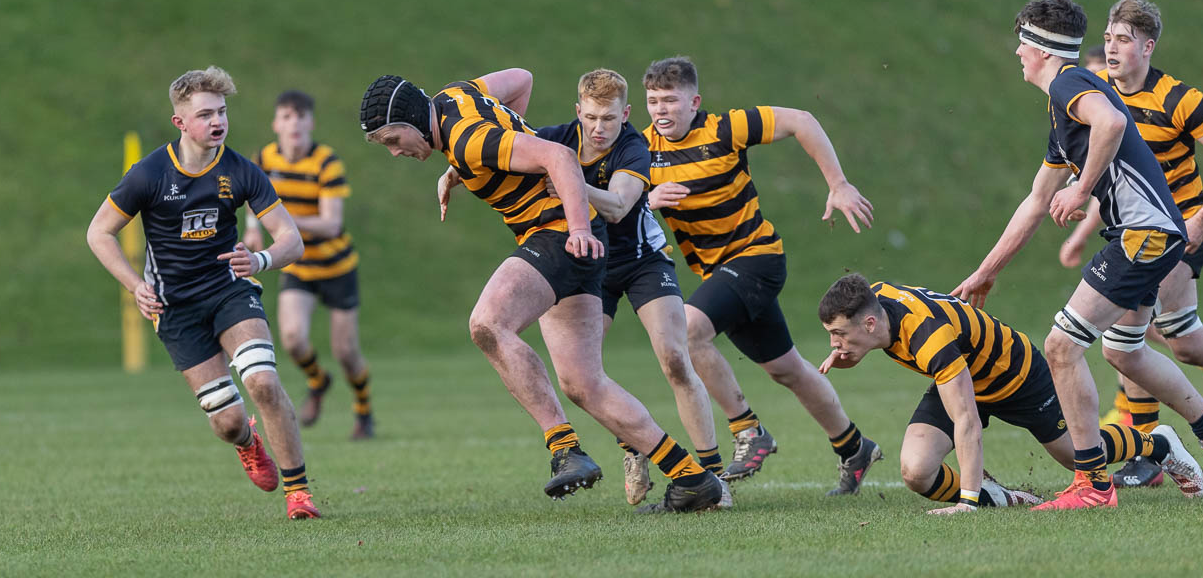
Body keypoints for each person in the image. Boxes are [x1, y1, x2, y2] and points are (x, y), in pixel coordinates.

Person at [360, 69, 724, 513]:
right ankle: (692, 479)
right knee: (583, 384)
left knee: (488, 324)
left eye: (394, 140)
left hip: (560, 235)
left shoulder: (470, 139)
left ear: (414, 120)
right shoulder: (456, 96)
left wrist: (573, 227)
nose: (396, 152)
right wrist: (500, 147)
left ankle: (564, 448)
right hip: (577, 237)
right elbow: (522, 79)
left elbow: (558, 157)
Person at [953, 0, 1203, 508]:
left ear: (1043, 49)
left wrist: (1082, 185)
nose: (1017, 53)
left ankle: (1092, 485)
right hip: (1146, 234)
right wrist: (985, 273)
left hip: (1145, 236)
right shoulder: (1065, 105)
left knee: (1062, 346)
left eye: (1022, 42)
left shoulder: (1071, 83)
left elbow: (1112, 127)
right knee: (1122, 350)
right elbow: (1035, 202)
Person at [86, 66, 319, 519]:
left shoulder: (241, 171)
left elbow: (291, 239)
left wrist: (260, 261)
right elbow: (99, 233)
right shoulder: (149, 174)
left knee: (264, 383)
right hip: (175, 308)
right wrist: (136, 287)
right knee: (228, 421)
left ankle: (299, 494)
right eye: (207, 114)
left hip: (230, 291)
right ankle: (249, 443)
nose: (218, 122)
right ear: (181, 123)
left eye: (223, 112)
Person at [642, 56, 880, 495]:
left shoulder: (725, 129)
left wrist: (838, 183)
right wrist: (646, 197)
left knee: (688, 330)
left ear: (694, 102)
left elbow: (802, 121)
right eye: (653, 101)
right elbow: (615, 199)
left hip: (757, 258)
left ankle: (748, 431)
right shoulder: (642, 151)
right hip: (722, 274)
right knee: (787, 369)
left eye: (671, 101)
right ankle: (854, 447)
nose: (661, 111)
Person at [1057, 0, 1203, 487]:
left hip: (1180, 231)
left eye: (1123, 40)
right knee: (1188, 344)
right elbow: (1110, 177)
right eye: (1107, 38)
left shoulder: (1177, 98)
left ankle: (1149, 452)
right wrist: (1083, 223)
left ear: (1148, 47)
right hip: (1135, 230)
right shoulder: (1098, 94)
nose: (1111, 48)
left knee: (1125, 336)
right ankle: (1182, 439)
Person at [817, 274, 1203, 515]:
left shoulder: (928, 337)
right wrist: (851, 352)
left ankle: (1158, 445)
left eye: (838, 334)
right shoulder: (876, 301)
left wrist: (966, 504)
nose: (834, 343)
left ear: (868, 322)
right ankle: (999, 498)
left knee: (1077, 457)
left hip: (1017, 375)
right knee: (916, 471)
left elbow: (967, 420)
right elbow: (879, 341)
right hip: (962, 373)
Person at [526, 69, 724, 507]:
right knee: (581, 375)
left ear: (626, 114)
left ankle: (711, 475)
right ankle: (632, 444)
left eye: (610, 119)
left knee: (675, 356)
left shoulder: (634, 146)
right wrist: (456, 171)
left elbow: (616, 207)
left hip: (641, 263)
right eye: (592, 118)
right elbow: (501, 152)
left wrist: (564, 178)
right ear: (578, 112)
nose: (600, 129)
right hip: (587, 266)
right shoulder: (557, 138)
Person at [245, 90, 375, 440]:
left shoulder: (326, 162)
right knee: (291, 338)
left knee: (346, 352)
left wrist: (283, 223)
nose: (294, 124)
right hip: (299, 267)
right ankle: (319, 380)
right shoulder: (264, 159)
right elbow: (252, 200)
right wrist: (254, 228)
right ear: (276, 124)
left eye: (301, 116)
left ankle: (364, 410)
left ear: (311, 123)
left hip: (336, 266)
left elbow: (331, 223)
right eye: (287, 116)